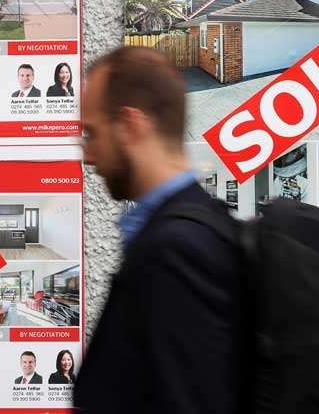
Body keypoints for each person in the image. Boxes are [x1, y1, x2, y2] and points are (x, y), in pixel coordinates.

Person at [74, 47, 237, 413]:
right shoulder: (185, 230)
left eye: (92, 132)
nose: (87, 154)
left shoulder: (177, 251)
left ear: (131, 125)